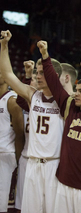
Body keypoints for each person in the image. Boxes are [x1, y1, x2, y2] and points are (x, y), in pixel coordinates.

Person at [36, 40, 81, 213]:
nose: (75, 94)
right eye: (75, 90)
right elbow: (54, 83)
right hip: (63, 182)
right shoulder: (70, 106)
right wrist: (45, 56)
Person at [0, 30, 64, 213]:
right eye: (37, 73)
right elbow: (8, 73)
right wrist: (4, 46)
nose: (37, 76)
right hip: (33, 164)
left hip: (54, 164)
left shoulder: (65, 101)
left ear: (53, 76)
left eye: (43, 73)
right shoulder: (32, 95)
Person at [0, 64, 24, 213]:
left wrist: (16, 160)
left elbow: (19, 133)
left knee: (3, 202)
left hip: (5, 155)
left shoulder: (11, 100)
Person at [15, 60, 38, 213]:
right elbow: (20, 100)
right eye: (35, 78)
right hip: (27, 155)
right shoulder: (32, 99)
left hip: (44, 160)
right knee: (22, 205)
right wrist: (28, 76)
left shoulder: (55, 100)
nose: (36, 80)